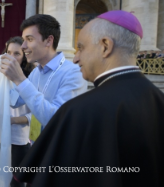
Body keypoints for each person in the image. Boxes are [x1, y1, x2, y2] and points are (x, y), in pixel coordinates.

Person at [14, 10, 164, 186]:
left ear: (105, 46)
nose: (76, 58)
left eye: (81, 48)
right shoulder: (159, 99)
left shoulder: (79, 109)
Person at [0, 14, 87, 141]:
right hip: (36, 143)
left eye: (29, 39)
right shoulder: (36, 72)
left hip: (58, 149)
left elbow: (55, 119)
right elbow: (16, 101)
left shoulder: (73, 73)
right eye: (23, 40)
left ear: (48, 41)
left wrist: (20, 79)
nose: (23, 46)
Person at [0, 36, 34, 187]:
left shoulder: (31, 79)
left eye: (17, 53)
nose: (11, 57)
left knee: (16, 182)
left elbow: (34, 114)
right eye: (8, 53)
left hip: (18, 138)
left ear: (25, 56)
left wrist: (12, 120)